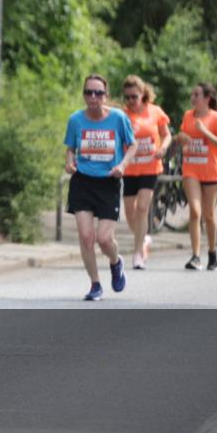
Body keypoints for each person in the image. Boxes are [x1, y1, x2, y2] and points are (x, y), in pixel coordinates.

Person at [64, 74, 137, 300]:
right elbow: (70, 147)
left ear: (106, 95)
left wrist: (123, 165)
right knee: (86, 237)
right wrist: (69, 162)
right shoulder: (76, 120)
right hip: (83, 182)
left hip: (108, 182)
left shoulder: (118, 118)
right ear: (84, 95)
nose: (93, 97)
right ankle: (95, 285)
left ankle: (116, 262)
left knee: (104, 239)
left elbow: (132, 145)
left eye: (98, 93)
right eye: (88, 92)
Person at [175, 82, 217, 271]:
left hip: (211, 170)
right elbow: (181, 135)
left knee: (209, 215)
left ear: (207, 99)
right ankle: (196, 255)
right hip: (191, 169)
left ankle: (212, 252)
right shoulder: (188, 116)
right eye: (192, 94)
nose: (193, 98)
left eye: (196, 94)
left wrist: (205, 132)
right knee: (195, 212)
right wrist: (182, 138)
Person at [120, 75, 171, 270]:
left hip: (150, 166)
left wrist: (163, 148)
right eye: (127, 97)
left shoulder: (155, 112)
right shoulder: (123, 115)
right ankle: (144, 239)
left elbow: (167, 135)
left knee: (142, 208)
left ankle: (138, 254)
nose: (131, 101)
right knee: (130, 212)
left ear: (143, 94)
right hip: (130, 167)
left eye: (134, 96)